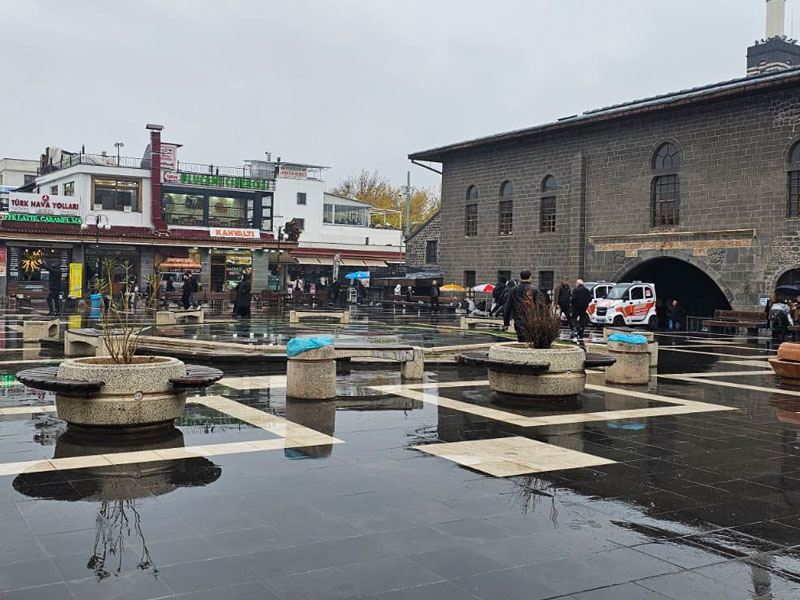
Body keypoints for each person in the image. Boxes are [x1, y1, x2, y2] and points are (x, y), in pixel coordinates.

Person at [503, 269, 548, 342]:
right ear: (530, 277)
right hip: (531, 319)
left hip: (518, 319)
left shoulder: (514, 290)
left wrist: (506, 321)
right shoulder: (535, 289)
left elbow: (508, 306)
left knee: (521, 340)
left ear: (521, 277)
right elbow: (541, 306)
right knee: (531, 340)